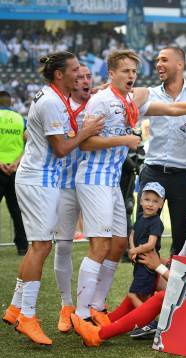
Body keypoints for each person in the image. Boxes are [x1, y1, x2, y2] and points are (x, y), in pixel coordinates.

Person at [71, 49, 186, 330]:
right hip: (99, 178)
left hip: (119, 180)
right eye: (125, 71)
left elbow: (172, 110)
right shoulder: (102, 100)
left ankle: (98, 307)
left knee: (121, 243)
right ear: (111, 74)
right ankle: (82, 313)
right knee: (102, 244)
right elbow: (85, 142)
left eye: (134, 71)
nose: (131, 76)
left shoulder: (130, 103)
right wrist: (125, 139)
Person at [3, 52, 104, 346]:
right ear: (60, 75)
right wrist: (85, 132)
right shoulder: (50, 102)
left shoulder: (52, 97)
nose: (80, 74)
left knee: (41, 245)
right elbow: (61, 148)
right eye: (75, 70)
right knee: (41, 247)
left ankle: (15, 308)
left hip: (42, 179)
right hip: (39, 181)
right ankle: (28, 317)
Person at [71, 195, 186, 346]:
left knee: (163, 296)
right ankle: (107, 322)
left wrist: (158, 266)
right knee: (148, 278)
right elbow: (179, 269)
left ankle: (98, 335)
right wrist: (158, 262)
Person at [137, 47, 186, 255]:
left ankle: (177, 286)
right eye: (157, 60)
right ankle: (143, 287)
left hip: (184, 176)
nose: (158, 64)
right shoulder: (149, 94)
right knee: (143, 232)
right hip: (153, 170)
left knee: (183, 237)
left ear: (180, 64)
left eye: (164, 60)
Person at [53, 63, 93, 333]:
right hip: (66, 185)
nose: (84, 81)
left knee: (102, 245)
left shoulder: (100, 104)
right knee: (64, 245)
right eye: (79, 77)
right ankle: (66, 305)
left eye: (88, 76)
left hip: (93, 184)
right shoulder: (58, 107)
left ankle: (90, 306)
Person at [127, 182, 165, 308]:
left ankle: (146, 320)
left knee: (133, 294)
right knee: (145, 294)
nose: (150, 204)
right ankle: (147, 321)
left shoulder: (156, 222)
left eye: (155, 201)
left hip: (148, 264)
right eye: (147, 199)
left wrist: (135, 251)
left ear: (161, 204)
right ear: (141, 201)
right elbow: (132, 234)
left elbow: (150, 244)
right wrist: (133, 249)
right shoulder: (139, 217)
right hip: (139, 262)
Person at [0, 90, 27, 256]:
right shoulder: (19, 119)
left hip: (0, 167)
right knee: (17, 210)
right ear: (10, 102)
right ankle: (23, 246)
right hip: (15, 170)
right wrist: (17, 162)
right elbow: (29, 141)